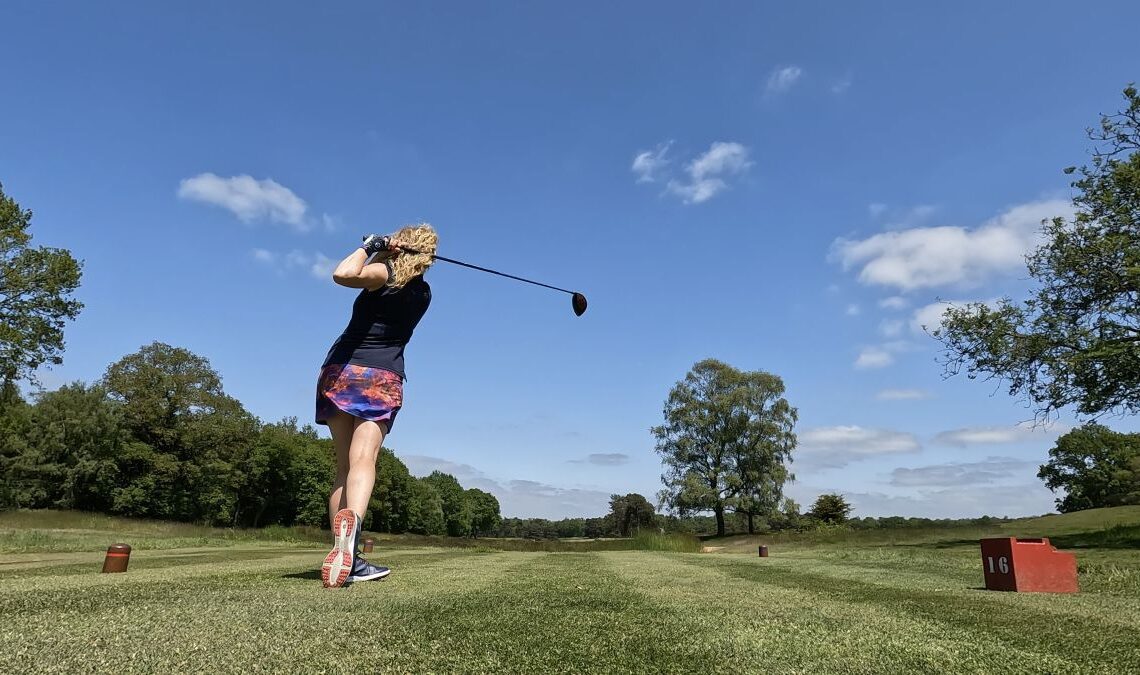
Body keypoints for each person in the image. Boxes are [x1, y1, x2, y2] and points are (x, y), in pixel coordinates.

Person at [316, 224, 437, 588]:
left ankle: (342, 548)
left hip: (338, 370)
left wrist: (372, 246)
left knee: (342, 468)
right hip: (381, 378)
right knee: (363, 460)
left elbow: (342, 273)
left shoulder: (382, 274)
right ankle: (350, 546)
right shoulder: (423, 293)